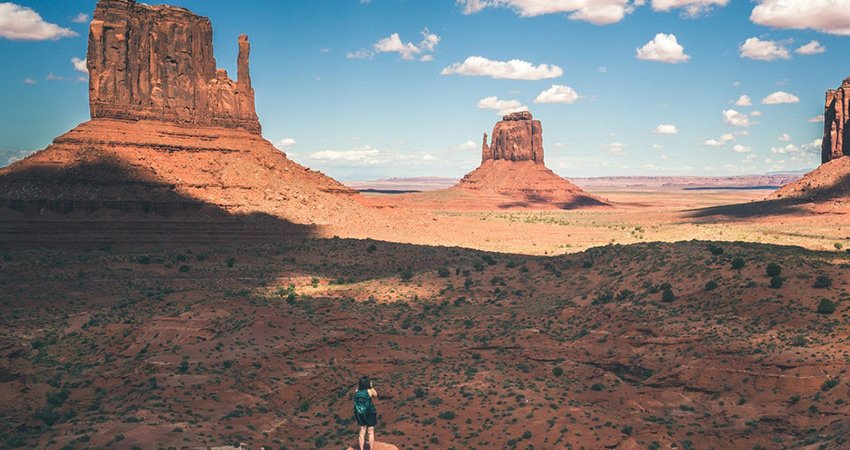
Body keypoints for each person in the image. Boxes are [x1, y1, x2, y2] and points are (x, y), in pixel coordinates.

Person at [354, 376, 378, 450]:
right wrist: (371, 386)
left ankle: (361, 449)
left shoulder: (356, 391)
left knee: (362, 430)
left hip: (360, 413)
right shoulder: (370, 390)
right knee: (370, 431)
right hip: (369, 412)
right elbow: (376, 395)